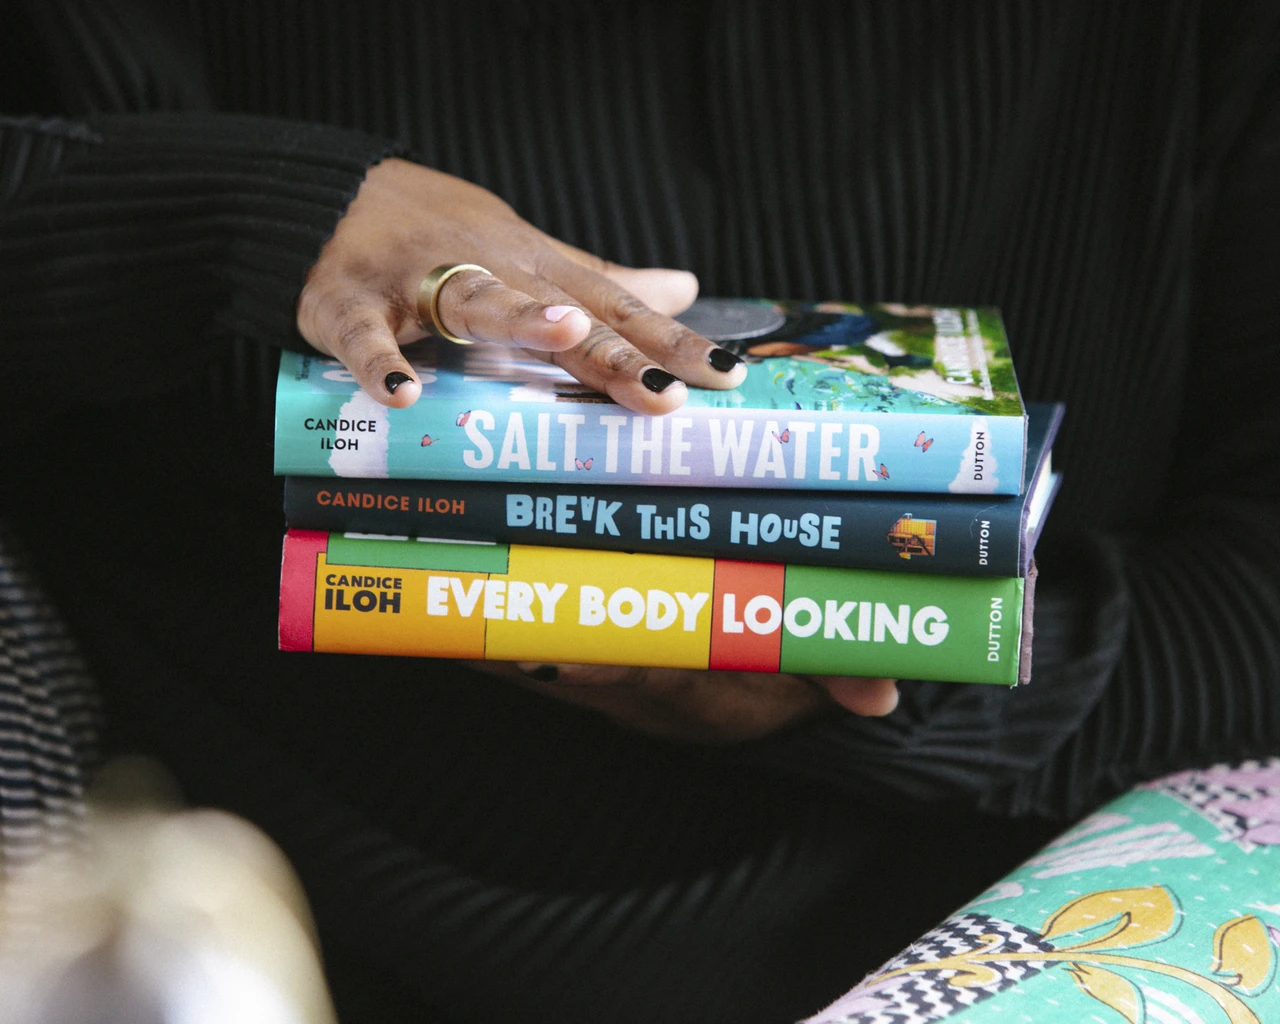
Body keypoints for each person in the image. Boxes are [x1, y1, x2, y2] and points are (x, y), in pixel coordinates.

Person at [2, 2, 1277, 1022]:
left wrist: (833, 654)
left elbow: (1252, 617)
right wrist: (244, 215)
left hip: (1025, 907)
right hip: (265, 895)